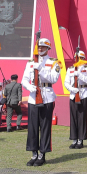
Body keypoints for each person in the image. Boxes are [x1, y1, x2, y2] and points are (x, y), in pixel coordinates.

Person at [21, 38, 61, 167]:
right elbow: (24, 79)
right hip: (34, 96)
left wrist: (41, 69)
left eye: (43, 47)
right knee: (32, 126)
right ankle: (33, 153)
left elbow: (53, 79)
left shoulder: (54, 62)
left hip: (47, 96)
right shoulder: (31, 62)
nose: (40, 49)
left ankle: (42, 154)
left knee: (45, 126)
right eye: (39, 46)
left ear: (48, 48)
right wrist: (29, 87)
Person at [64, 50, 87, 148]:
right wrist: (72, 89)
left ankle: (80, 140)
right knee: (73, 117)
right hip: (73, 93)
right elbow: (66, 82)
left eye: (81, 58)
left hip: (84, 93)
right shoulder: (70, 69)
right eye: (77, 58)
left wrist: (79, 74)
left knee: (82, 117)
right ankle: (74, 139)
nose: (79, 59)